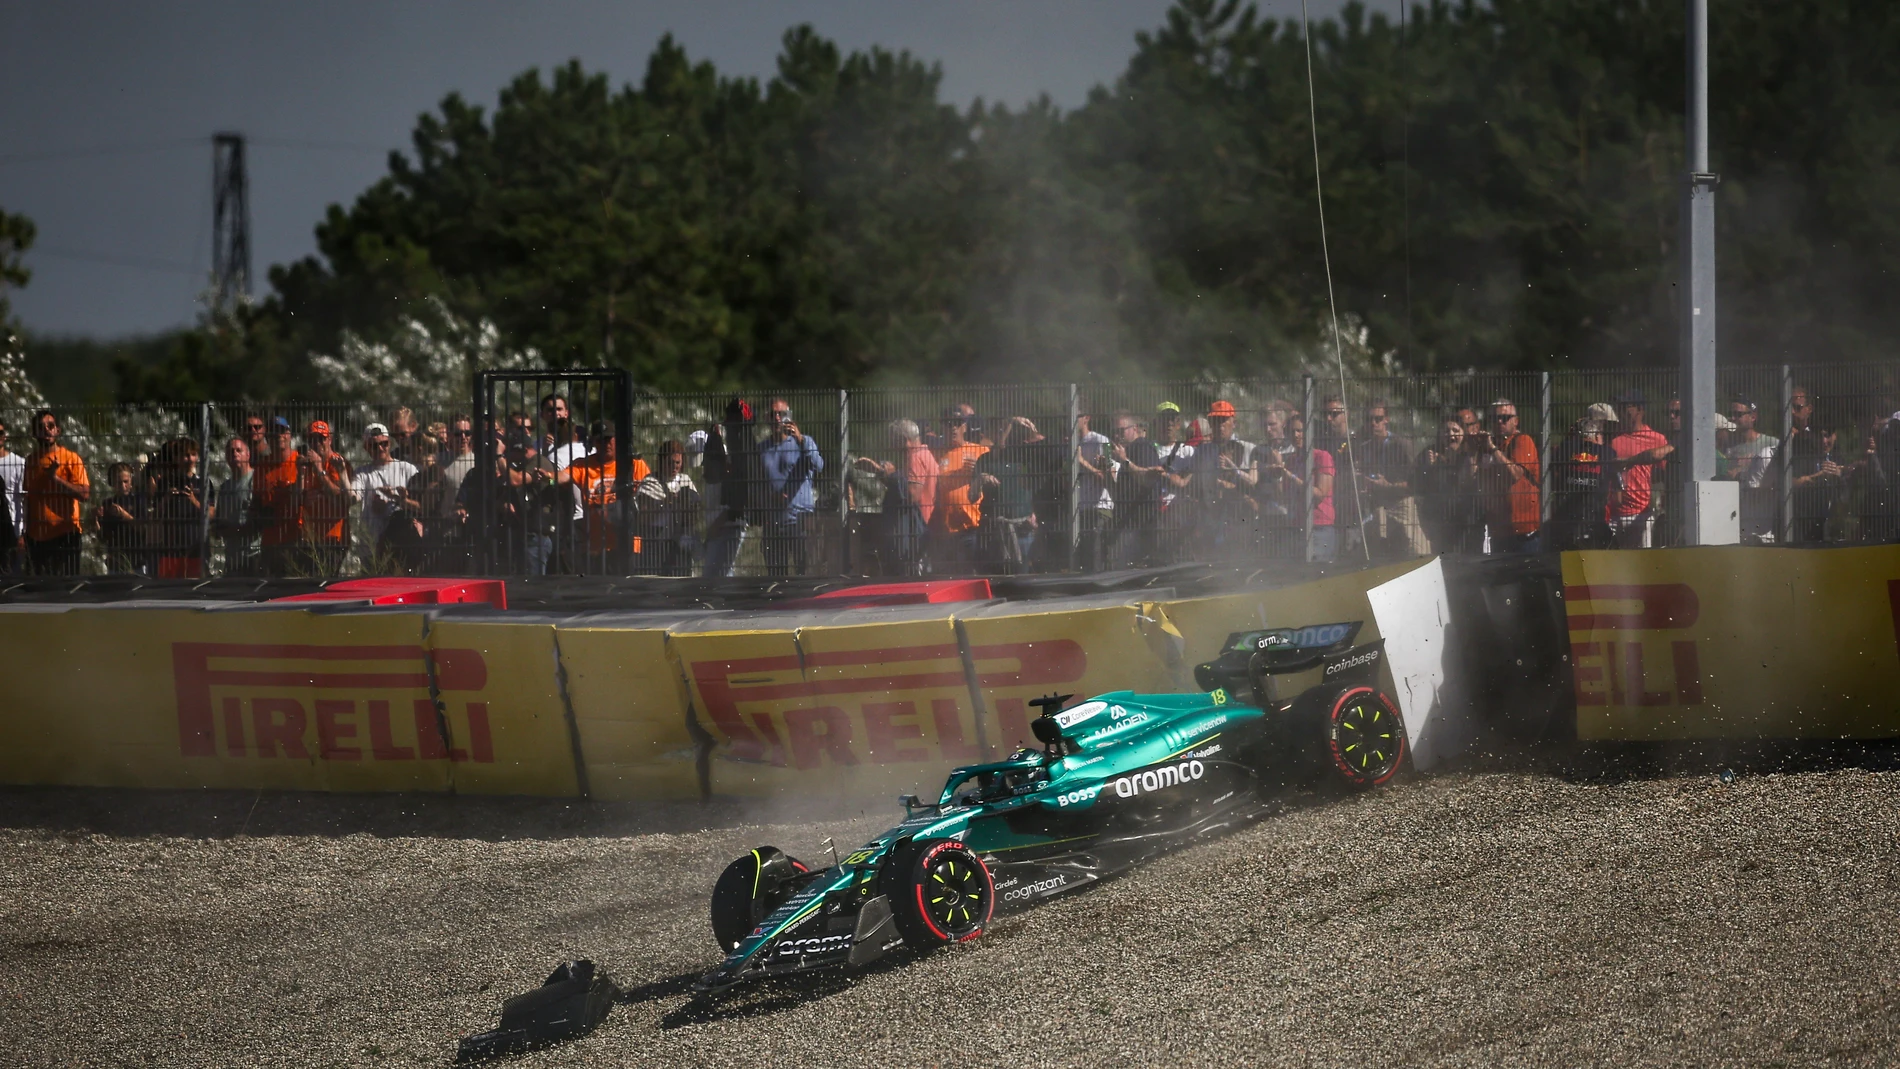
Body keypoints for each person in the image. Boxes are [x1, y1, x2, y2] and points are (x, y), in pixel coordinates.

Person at [854, 418, 937, 577]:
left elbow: (912, 494)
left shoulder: (915, 458)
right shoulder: (926, 454)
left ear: (905, 440)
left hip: (914, 531)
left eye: (894, 441)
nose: (892, 446)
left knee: (905, 577)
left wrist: (892, 474)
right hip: (921, 528)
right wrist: (881, 473)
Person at [758, 397, 825, 576]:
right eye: (773, 414)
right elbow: (756, 483)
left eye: (782, 414)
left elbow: (819, 465)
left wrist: (800, 439)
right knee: (775, 576)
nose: (777, 418)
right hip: (773, 522)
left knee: (804, 573)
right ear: (766, 418)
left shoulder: (804, 442)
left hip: (800, 521)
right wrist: (768, 497)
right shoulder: (761, 449)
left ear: (789, 416)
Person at [1352, 400, 1424, 560]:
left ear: (1386, 419)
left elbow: (1416, 482)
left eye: (1378, 419)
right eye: (1369, 419)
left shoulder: (1401, 445)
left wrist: (1389, 485)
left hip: (1401, 503)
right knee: (1377, 552)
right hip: (1377, 505)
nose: (1373, 423)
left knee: (1413, 549)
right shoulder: (1365, 447)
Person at [972, 416, 1043, 572]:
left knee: (1022, 576)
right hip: (992, 531)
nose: (1002, 434)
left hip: (1022, 528)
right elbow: (972, 497)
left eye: (1006, 430)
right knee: (991, 575)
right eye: (999, 430)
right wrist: (979, 480)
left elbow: (1037, 485)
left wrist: (1031, 430)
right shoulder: (984, 460)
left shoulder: (1024, 458)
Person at [23, 409, 90, 575]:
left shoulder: (71, 458)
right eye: (41, 427)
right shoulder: (30, 461)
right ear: (34, 433)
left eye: (50, 426)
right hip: (36, 538)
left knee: (67, 586)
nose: (46, 430)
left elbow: (84, 494)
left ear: (58, 430)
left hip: (66, 534)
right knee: (40, 587)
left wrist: (55, 478)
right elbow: (27, 499)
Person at [1606, 390, 1674, 548]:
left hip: (1641, 513)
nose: (1621, 410)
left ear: (1640, 410)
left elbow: (1665, 473)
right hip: (1613, 513)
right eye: (1619, 406)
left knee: (1642, 558)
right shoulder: (1613, 437)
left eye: (1626, 406)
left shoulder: (1656, 439)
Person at [351, 423, 420, 572]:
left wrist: (393, 503)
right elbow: (354, 495)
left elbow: (420, 505)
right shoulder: (362, 473)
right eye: (374, 445)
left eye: (384, 443)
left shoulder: (407, 469)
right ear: (366, 447)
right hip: (372, 544)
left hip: (401, 544)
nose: (381, 448)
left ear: (390, 443)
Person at [1547, 404, 1616, 550]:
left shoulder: (1566, 448)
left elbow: (1554, 470)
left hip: (1566, 520)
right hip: (1595, 520)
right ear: (1597, 435)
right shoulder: (1608, 453)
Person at [702, 398, 759, 578]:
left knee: (723, 572)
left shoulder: (745, 453)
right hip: (726, 520)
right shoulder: (737, 451)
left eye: (733, 427)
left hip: (733, 522)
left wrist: (721, 520)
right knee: (713, 572)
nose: (730, 432)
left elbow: (741, 498)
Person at [1414, 416, 1484, 554]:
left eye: (1455, 430)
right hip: (1440, 523)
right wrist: (1430, 468)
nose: (1451, 435)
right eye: (1446, 431)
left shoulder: (1471, 453)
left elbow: (1471, 481)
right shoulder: (1430, 453)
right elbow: (1420, 486)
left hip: (1468, 522)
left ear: (1463, 433)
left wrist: (1471, 458)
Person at [1479, 398, 1541, 553]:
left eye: (1505, 418)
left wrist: (1493, 449)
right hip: (1499, 530)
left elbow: (1515, 474)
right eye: (1494, 418)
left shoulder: (1522, 441)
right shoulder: (1489, 445)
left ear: (1516, 421)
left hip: (1523, 532)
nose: (1499, 422)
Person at [931, 408, 989, 572]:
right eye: (948, 424)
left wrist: (977, 470)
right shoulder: (936, 455)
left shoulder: (980, 451)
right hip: (945, 530)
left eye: (957, 424)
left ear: (964, 426)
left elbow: (991, 480)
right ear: (942, 427)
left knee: (972, 573)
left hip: (972, 527)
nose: (953, 428)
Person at [634, 439, 699, 576]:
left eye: (677, 463)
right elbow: (644, 515)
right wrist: (666, 502)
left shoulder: (685, 480)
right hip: (656, 543)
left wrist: (686, 502)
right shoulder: (650, 481)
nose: (674, 467)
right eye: (670, 462)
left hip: (680, 545)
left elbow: (695, 512)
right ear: (661, 461)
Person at [298, 420, 352, 576]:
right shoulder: (307, 464)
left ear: (330, 439)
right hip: (310, 538)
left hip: (333, 538)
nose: (317, 443)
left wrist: (320, 470)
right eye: (312, 439)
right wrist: (300, 474)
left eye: (321, 438)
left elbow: (341, 498)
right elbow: (298, 498)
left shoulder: (338, 463)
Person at [145, 437, 205, 578]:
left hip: (195, 549)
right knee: (169, 588)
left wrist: (193, 500)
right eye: (185, 455)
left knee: (194, 586)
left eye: (193, 455)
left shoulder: (203, 483)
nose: (190, 459)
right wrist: (166, 499)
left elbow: (211, 514)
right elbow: (155, 516)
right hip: (170, 550)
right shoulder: (165, 483)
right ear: (177, 458)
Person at [1722, 398, 1779, 544]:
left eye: (1738, 414)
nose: (1733, 418)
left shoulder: (1771, 443)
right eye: (1731, 414)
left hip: (1763, 510)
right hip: (1736, 509)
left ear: (1753, 417)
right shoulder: (1728, 447)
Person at [1150, 402, 1197, 564]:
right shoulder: (1150, 449)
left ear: (1178, 424)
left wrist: (1165, 475)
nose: (1169, 424)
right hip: (1153, 514)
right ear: (1156, 423)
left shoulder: (1187, 451)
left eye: (1172, 420)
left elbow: (1188, 482)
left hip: (1179, 514)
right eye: (1164, 420)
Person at [1071, 410, 1119, 571]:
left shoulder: (1102, 441)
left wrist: (1081, 461)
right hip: (1080, 507)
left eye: (1076, 415)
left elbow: (1109, 477)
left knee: (1096, 549)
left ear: (1087, 418)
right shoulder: (1072, 442)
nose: (1071, 420)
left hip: (1099, 506)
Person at [1786, 421, 1845, 545]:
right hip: (1805, 524)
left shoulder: (1838, 456)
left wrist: (1839, 475)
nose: (1824, 441)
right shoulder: (1803, 455)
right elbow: (1789, 483)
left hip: (1831, 524)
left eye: (1827, 436)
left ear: (1835, 436)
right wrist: (1819, 476)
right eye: (1820, 436)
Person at [211, 437, 260, 575]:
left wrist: (235, 530)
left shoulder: (256, 481)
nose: (235, 454)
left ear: (248, 454)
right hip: (232, 558)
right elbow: (219, 523)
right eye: (231, 451)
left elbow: (259, 521)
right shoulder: (225, 488)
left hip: (253, 555)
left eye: (239, 450)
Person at [93, 461, 145, 574]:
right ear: (112, 483)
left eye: (126, 482)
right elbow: (103, 537)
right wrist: (96, 519)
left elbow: (143, 528)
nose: (123, 486)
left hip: (137, 560)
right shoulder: (108, 504)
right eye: (118, 482)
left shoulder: (138, 501)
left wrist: (124, 515)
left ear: (131, 481)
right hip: (115, 563)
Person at [0, 416, 23, 572]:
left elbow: (24, 500)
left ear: (5, 436)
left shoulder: (18, 463)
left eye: (0, 433)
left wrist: (22, 534)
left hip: (12, 530)